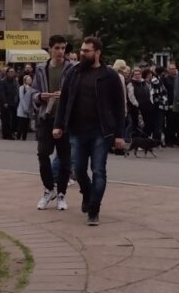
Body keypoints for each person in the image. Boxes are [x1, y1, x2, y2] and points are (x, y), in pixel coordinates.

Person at [53, 36, 125, 226]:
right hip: (77, 130)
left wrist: (119, 135)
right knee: (78, 170)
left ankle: (94, 209)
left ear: (97, 53)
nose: (82, 53)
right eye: (82, 50)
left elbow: (119, 107)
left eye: (87, 51)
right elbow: (65, 100)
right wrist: (58, 125)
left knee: (98, 170)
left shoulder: (110, 75)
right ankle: (87, 193)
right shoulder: (74, 73)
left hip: (101, 132)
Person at [32, 35, 75, 211]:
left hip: (64, 119)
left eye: (63, 48)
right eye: (57, 48)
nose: (60, 52)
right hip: (46, 117)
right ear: (50, 49)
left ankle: (62, 194)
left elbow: (76, 92)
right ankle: (49, 189)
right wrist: (39, 96)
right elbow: (33, 91)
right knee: (43, 154)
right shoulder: (41, 68)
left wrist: (65, 96)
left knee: (65, 159)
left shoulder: (71, 68)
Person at [16, 74, 36, 141]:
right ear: (25, 80)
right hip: (22, 109)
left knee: (26, 125)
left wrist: (33, 109)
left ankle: (24, 138)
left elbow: (33, 100)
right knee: (21, 124)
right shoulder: (21, 88)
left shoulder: (32, 89)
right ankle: (18, 137)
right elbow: (21, 98)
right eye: (28, 79)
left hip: (29, 110)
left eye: (30, 79)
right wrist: (25, 109)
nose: (29, 81)